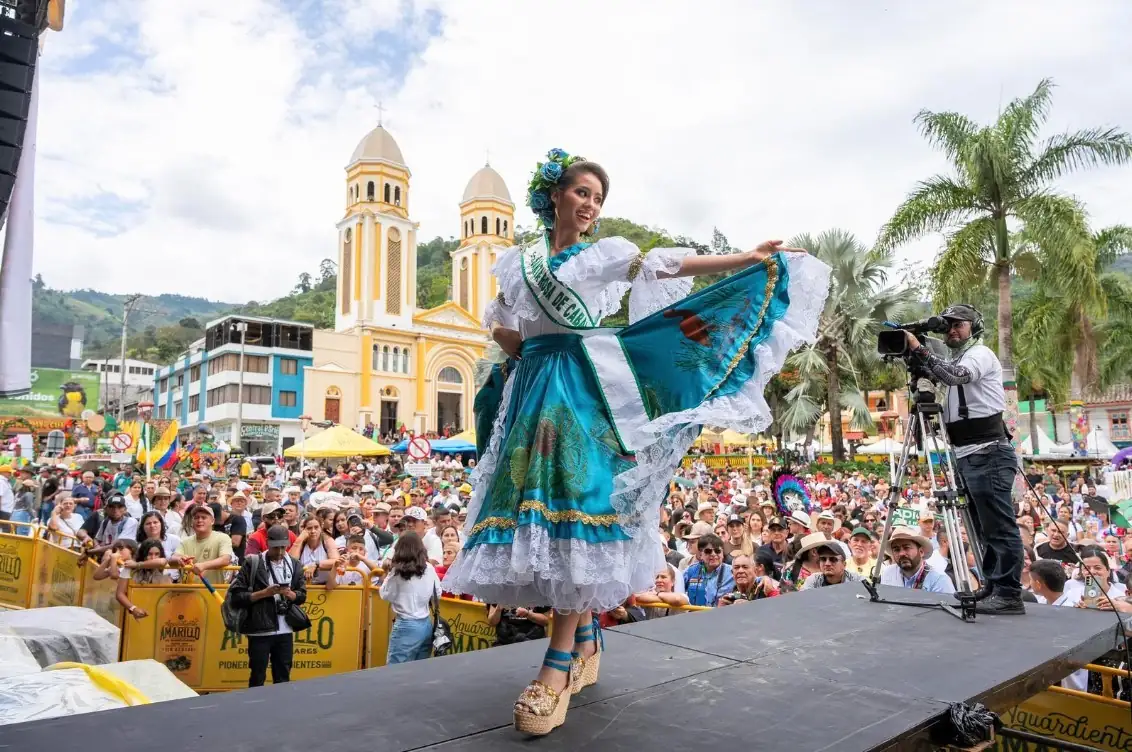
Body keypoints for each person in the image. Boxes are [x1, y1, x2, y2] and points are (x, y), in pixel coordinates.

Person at [442, 148, 828, 735]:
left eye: (598, 198)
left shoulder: (601, 255)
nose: (590, 205)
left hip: (577, 389)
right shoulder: (518, 262)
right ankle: (586, 640)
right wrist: (513, 342)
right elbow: (499, 318)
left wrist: (745, 258)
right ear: (555, 196)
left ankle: (557, 665)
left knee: (573, 511)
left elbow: (664, 266)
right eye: (582, 193)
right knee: (536, 517)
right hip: (530, 390)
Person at [904, 304, 1025, 614]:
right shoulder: (957, 358)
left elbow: (955, 376)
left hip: (987, 451)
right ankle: (994, 586)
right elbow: (942, 374)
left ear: (975, 327)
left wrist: (920, 348)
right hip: (967, 453)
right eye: (948, 325)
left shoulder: (979, 354)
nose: (952, 330)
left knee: (999, 527)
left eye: (959, 324)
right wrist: (918, 360)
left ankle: (1009, 593)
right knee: (982, 528)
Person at [227, 525, 307, 688]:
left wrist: (290, 594)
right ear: (267, 543)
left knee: (283, 676)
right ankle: (255, 704)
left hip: (285, 629)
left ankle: (281, 704)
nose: (280, 552)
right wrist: (264, 593)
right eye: (275, 547)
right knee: (257, 676)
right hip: (259, 630)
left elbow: (302, 595)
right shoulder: (252, 563)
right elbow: (237, 597)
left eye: (283, 547)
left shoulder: (295, 564)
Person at [379, 532, 441, 664]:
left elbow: (385, 594)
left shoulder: (397, 573)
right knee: (420, 668)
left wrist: (387, 573)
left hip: (406, 624)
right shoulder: (429, 568)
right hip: (426, 623)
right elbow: (438, 593)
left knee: (397, 669)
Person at [880, 527, 956, 594]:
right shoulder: (888, 573)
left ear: (921, 552)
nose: (901, 553)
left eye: (907, 548)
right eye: (896, 550)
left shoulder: (939, 580)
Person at [797, 533, 863, 590]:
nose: (827, 563)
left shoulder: (857, 581)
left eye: (833, 559)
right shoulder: (813, 581)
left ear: (844, 564)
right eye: (823, 559)